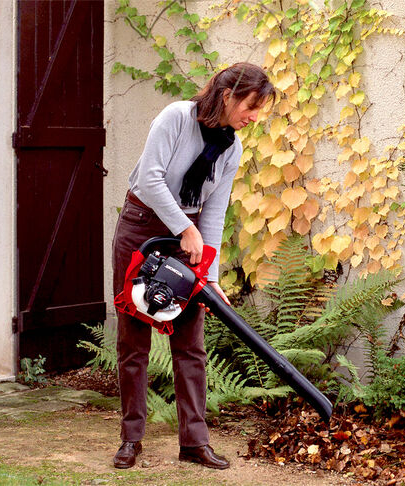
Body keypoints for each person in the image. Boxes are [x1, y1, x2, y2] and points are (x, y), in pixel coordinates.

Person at [111, 62, 275, 470]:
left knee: (190, 342)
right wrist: (185, 227)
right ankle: (131, 439)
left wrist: (211, 276)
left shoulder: (231, 147)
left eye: (259, 109)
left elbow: (215, 212)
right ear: (227, 95)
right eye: (250, 106)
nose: (253, 117)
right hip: (142, 227)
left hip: (191, 237)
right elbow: (149, 180)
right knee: (134, 339)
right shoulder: (176, 118)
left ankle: (194, 442)